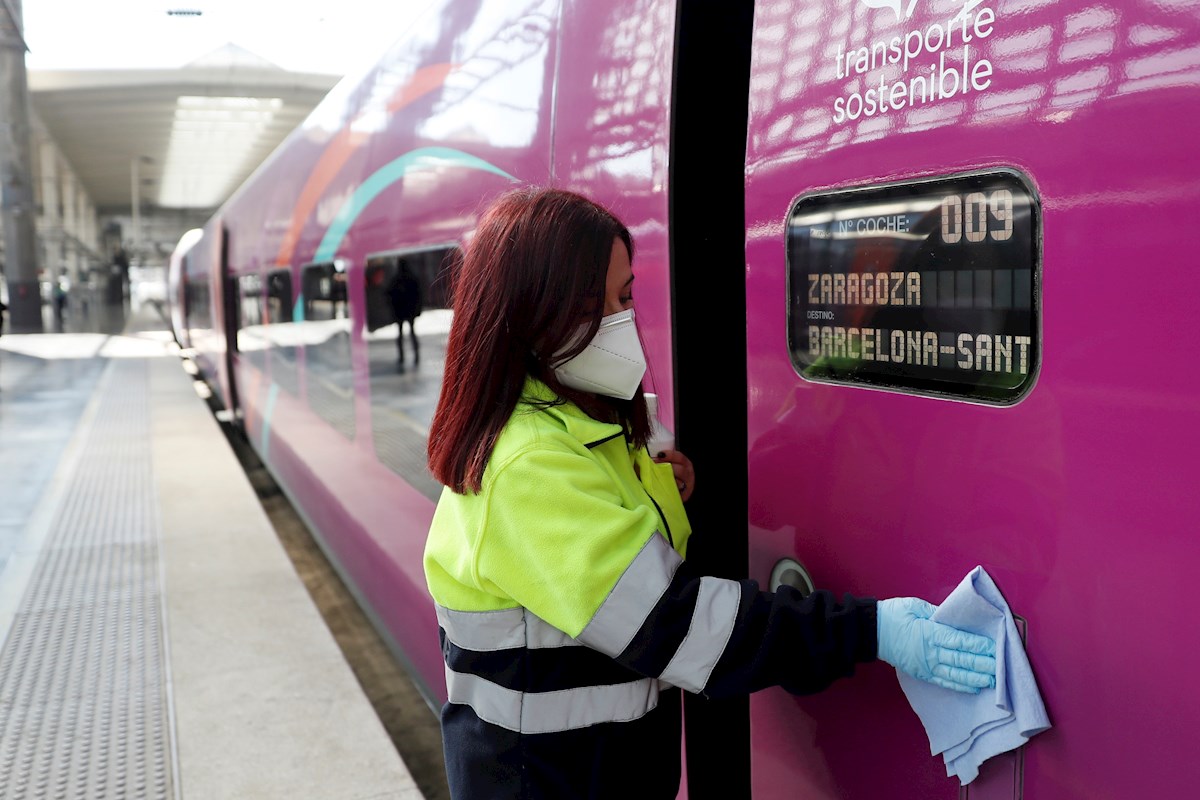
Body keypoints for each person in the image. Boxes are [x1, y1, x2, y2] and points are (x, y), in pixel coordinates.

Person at [422, 188, 996, 799]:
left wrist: (667, 481)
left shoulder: (576, 427)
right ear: (535, 311)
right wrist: (870, 630)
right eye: (602, 303)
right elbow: (678, 624)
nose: (623, 320)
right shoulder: (529, 466)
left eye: (626, 295)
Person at [388, 259, 421, 372]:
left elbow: (390, 295)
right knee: (411, 332)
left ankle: (403, 356)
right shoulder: (411, 278)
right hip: (408, 311)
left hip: (401, 311)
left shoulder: (397, 280)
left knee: (402, 333)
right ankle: (415, 355)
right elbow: (418, 295)